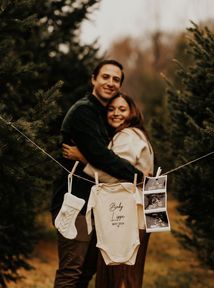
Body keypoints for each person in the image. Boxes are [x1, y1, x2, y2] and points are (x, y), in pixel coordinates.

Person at [50, 59, 144, 288]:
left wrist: (85, 157)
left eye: (116, 79)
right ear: (94, 78)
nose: (110, 82)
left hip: (97, 206)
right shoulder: (84, 112)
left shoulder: (104, 114)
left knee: (86, 270)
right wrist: (138, 176)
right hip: (76, 205)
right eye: (105, 76)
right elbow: (101, 156)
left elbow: (99, 156)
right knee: (71, 272)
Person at [63, 92, 154, 288]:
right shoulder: (134, 134)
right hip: (135, 214)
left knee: (118, 275)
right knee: (128, 274)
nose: (115, 113)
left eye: (122, 109)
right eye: (111, 109)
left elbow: (117, 174)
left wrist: (85, 159)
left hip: (126, 216)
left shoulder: (127, 136)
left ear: (132, 112)